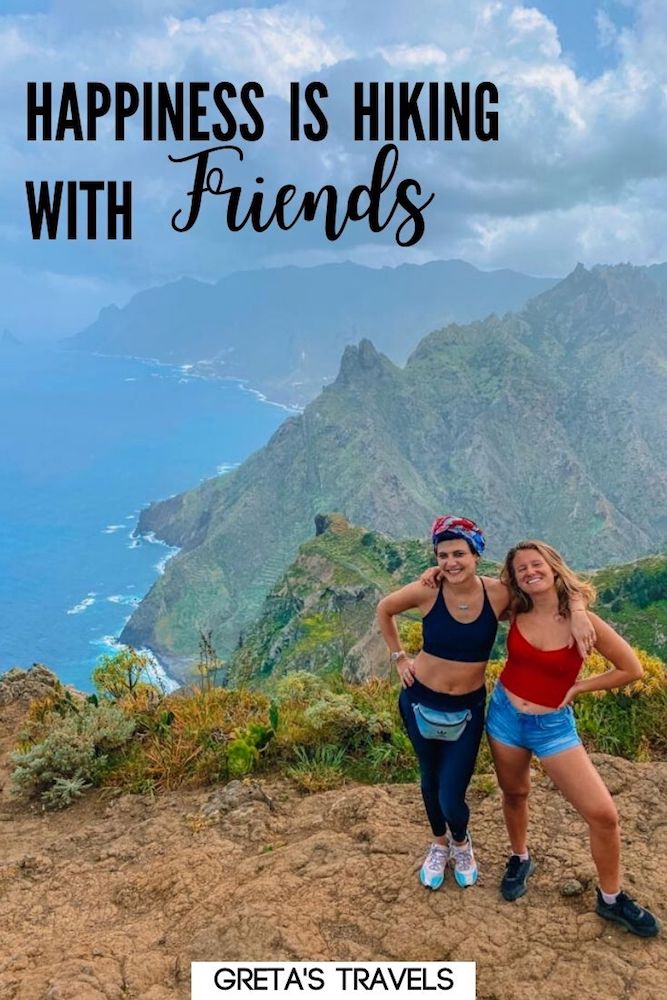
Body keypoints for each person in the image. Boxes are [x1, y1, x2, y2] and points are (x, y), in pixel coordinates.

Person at [376, 516, 595, 891]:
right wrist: (399, 656)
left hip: (467, 708)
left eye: (459, 553)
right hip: (418, 699)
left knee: (451, 792)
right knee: (429, 779)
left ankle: (461, 842)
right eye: (443, 555)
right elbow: (385, 608)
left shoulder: (499, 594)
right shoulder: (428, 590)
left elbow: (546, 589)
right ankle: (439, 844)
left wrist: (576, 610)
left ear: (477, 554)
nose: (451, 562)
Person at [487, 540, 661, 937]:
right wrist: (435, 574)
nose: (530, 573)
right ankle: (520, 857)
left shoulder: (585, 621)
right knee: (514, 793)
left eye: (536, 565)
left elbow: (631, 669)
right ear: (514, 579)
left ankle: (611, 898)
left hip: (552, 727)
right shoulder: (515, 608)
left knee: (603, 814)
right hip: (504, 716)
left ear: (552, 567)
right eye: (520, 570)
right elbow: (467, 589)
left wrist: (579, 687)